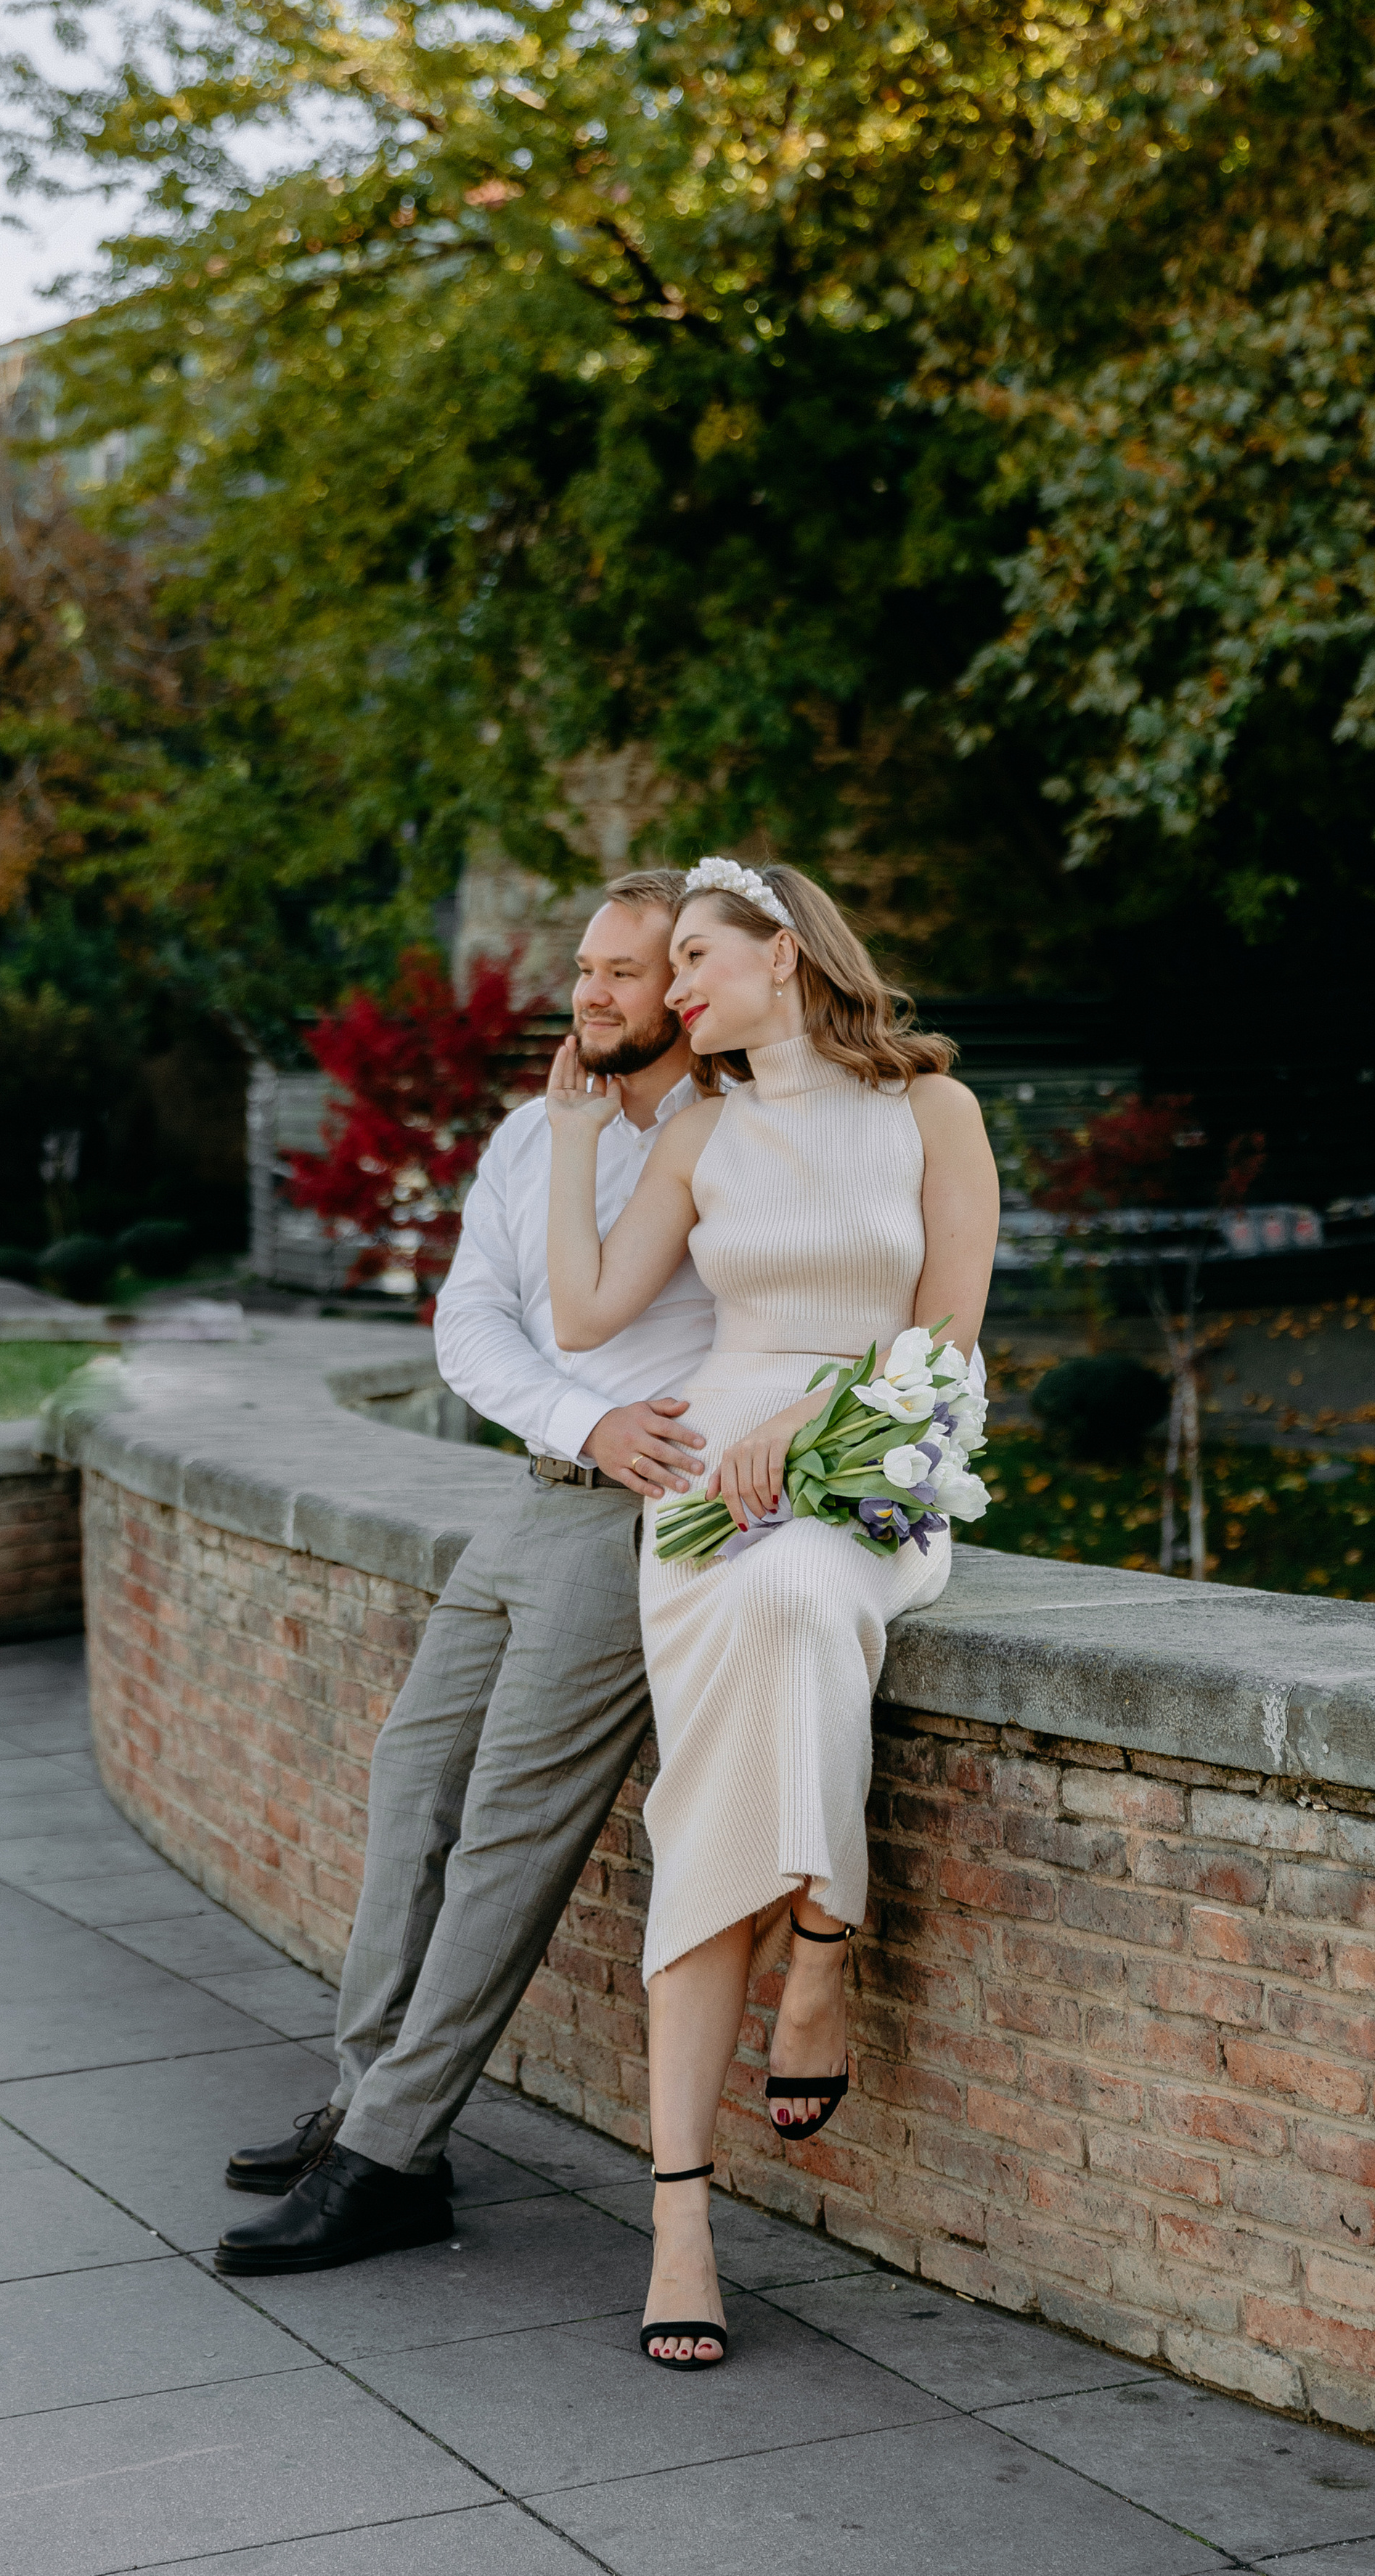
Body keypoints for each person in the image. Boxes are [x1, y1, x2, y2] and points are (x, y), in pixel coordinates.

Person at [216, 869, 719, 2276]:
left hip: (632, 1521)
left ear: (682, 991)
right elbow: (466, 1326)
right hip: (530, 1496)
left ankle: (387, 2157)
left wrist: (629, 1434)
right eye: (584, 968)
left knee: (509, 1829)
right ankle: (370, 2098)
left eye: (623, 971)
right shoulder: (524, 1135)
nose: (591, 992)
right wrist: (575, 1418)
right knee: (411, 1775)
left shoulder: (723, 1145)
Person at [544, 858, 1000, 2367]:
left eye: (689, 955)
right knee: (703, 1815)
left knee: (808, 1592)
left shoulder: (931, 1113)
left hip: (867, 1473)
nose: (670, 987)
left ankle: (820, 1947)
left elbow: (943, 1332)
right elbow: (588, 1316)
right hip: (702, 1503)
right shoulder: (699, 1132)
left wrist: (811, 1425)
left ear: (781, 953)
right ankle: (680, 2217)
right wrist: (565, 1142)